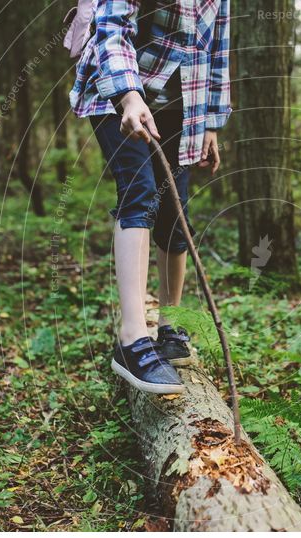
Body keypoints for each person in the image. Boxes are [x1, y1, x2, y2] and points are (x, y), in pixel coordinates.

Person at [69, 0, 231, 393]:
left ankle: (169, 327)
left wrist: (211, 124)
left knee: (176, 212)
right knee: (139, 193)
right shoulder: (120, 86)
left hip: (182, 101)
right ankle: (133, 340)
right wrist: (128, 95)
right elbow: (112, 27)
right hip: (117, 88)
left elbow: (217, 50)